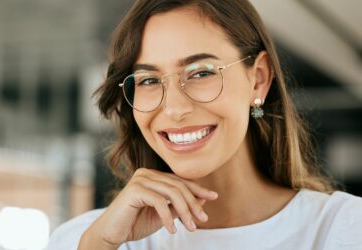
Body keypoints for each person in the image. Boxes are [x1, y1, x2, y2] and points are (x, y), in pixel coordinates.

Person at [47, 0, 362, 249]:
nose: (174, 108)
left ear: (259, 79)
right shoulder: (91, 238)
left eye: (201, 72)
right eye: (149, 80)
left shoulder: (344, 229)